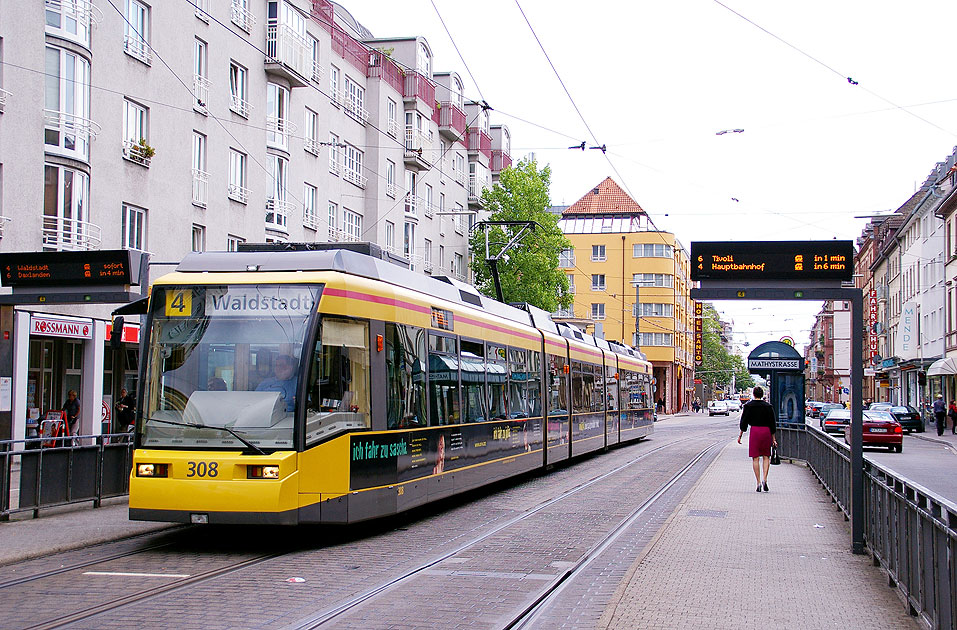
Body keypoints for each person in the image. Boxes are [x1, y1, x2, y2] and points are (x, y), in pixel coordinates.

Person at [737, 386, 777, 492]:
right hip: (766, 432)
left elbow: (743, 422)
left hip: (755, 431)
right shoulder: (768, 406)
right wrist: (773, 439)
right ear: (762, 394)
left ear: (753, 394)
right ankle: (765, 479)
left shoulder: (748, 406)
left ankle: (758, 482)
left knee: (755, 458)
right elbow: (773, 424)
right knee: (766, 457)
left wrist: (740, 435)